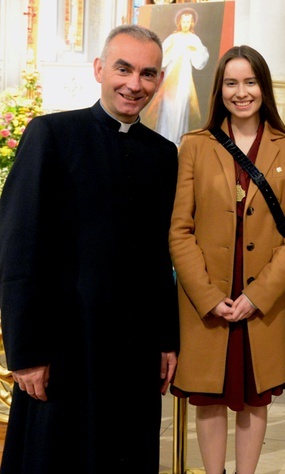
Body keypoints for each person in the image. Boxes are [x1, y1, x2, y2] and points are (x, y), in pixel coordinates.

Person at [0, 24, 179, 472]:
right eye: (123, 69)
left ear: (159, 80)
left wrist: (166, 340)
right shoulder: (51, 135)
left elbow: (161, 257)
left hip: (134, 352)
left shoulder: (162, 154)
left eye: (147, 73)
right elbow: (17, 249)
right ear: (99, 68)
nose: (134, 84)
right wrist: (24, 353)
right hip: (63, 349)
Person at [168, 45, 285, 474]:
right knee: (210, 398)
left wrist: (259, 294)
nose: (241, 92)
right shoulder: (195, 145)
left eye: (250, 81)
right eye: (231, 83)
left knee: (255, 397)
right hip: (208, 299)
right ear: (220, 90)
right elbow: (180, 228)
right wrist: (207, 295)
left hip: (259, 300)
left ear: (263, 87)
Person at [144, 7, 209, 146]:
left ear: (192, 23)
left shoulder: (193, 39)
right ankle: (164, 139)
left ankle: (178, 141)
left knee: (182, 106)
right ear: (179, 22)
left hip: (185, 79)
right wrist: (172, 50)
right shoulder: (173, 38)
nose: (186, 24)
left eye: (188, 21)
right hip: (170, 79)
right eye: (183, 21)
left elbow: (200, 61)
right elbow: (162, 58)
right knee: (168, 107)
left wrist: (193, 50)